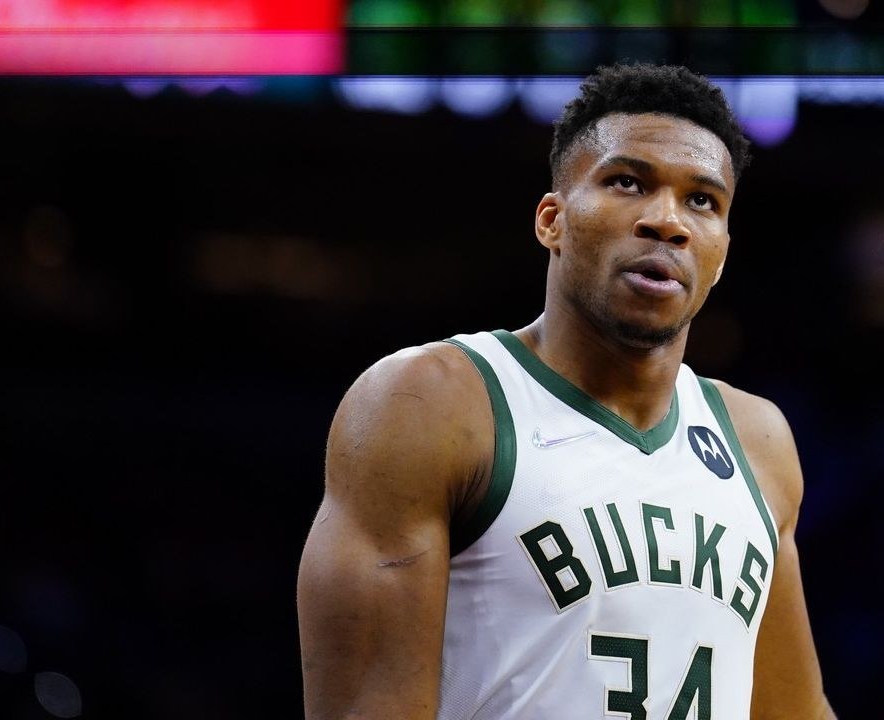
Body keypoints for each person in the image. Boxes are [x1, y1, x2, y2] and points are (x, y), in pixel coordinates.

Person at [298, 63, 836, 719]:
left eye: (702, 201)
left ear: (721, 253)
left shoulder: (757, 440)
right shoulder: (432, 404)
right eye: (628, 182)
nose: (667, 221)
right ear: (552, 220)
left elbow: (794, 710)